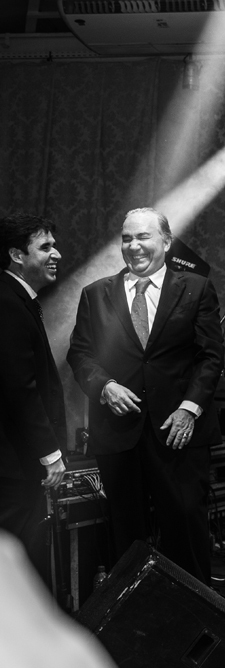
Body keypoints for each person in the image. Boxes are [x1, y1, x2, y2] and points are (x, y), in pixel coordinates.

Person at [67, 208, 223, 584]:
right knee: (126, 538)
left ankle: (192, 614)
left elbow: (211, 356)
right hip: (118, 435)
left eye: (143, 237)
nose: (134, 246)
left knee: (186, 532)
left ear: (166, 242)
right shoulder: (95, 294)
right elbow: (80, 354)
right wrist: (104, 386)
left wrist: (189, 409)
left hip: (178, 433)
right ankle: (134, 615)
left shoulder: (196, 287)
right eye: (127, 238)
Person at [0, 214, 67, 589]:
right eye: (45, 247)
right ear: (16, 255)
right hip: (13, 463)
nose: (57, 254)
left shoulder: (16, 297)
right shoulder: (7, 301)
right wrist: (50, 452)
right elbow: (19, 388)